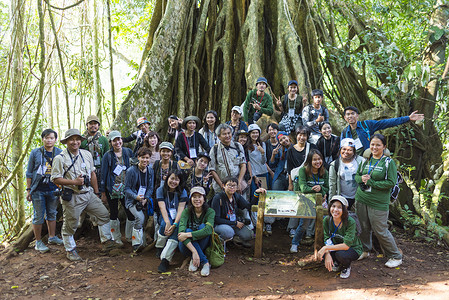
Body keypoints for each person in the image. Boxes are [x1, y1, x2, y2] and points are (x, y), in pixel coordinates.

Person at [51, 129, 118, 261]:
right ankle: (70, 249)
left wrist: (97, 192)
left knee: (103, 214)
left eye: (77, 139)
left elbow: (92, 173)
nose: (75, 142)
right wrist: (74, 182)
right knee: (71, 224)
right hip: (73, 196)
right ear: (66, 142)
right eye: (71, 139)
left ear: (81, 141)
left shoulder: (86, 154)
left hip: (88, 194)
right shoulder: (60, 158)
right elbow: (55, 179)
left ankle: (106, 242)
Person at [355, 134, 403, 268]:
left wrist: (372, 182)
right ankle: (365, 250)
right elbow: (357, 176)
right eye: (372, 144)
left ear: (384, 147)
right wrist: (362, 179)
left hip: (378, 202)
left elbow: (391, 182)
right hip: (361, 198)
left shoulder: (388, 163)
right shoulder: (365, 160)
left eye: (378, 145)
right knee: (364, 228)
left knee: (380, 230)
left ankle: (395, 256)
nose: (374, 147)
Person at [26, 129, 64, 252]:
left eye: (51, 138)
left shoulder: (59, 153)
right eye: (46, 138)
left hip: (54, 188)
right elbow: (29, 172)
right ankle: (38, 242)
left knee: (52, 213)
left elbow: (64, 170)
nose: (49, 140)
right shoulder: (35, 153)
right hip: (38, 189)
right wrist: (28, 190)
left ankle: (52, 237)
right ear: (43, 139)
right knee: (38, 216)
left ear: (55, 140)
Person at [340, 106, 424, 156]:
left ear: (357, 116)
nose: (350, 116)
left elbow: (386, 123)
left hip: (369, 156)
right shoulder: (345, 132)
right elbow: (342, 149)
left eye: (352, 113)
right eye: (348, 114)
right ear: (345, 118)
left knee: (386, 153)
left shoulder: (366, 125)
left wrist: (408, 118)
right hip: (355, 160)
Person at [290, 149, 329, 253]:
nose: (317, 162)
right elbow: (303, 188)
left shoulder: (324, 171)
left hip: (320, 202)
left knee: (325, 223)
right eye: (314, 160)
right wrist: (316, 190)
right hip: (306, 201)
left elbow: (327, 188)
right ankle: (294, 243)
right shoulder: (304, 170)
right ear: (309, 161)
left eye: (319, 159)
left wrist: (321, 189)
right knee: (303, 225)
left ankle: (327, 245)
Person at [100, 131, 135, 246]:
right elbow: (103, 174)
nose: (117, 142)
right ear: (110, 142)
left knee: (130, 212)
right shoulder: (107, 156)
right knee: (114, 212)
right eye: (114, 140)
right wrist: (103, 192)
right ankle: (116, 238)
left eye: (119, 139)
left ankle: (130, 236)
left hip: (127, 189)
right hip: (112, 189)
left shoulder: (128, 152)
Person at [317, 195, 363, 279]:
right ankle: (336, 261)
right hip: (336, 246)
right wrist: (327, 253)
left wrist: (326, 248)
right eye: (333, 206)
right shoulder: (327, 220)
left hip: (352, 248)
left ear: (344, 210)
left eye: (339, 207)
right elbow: (327, 238)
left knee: (341, 254)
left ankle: (346, 266)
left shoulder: (350, 222)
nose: (335, 210)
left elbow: (346, 245)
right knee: (323, 254)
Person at [286, 126, 317, 237]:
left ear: (307, 136)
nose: (302, 137)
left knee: (310, 204)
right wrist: (290, 184)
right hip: (296, 181)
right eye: (300, 134)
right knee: (296, 204)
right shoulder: (291, 150)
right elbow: (289, 168)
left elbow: (317, 161)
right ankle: (292, 228)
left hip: (310, 180)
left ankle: (308, 231)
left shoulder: (312, 147)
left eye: (304, 135)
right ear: (296, 135)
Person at [211, 177, 259, 248]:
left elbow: (249, 207)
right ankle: (219, 243)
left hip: (232, 223)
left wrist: (256, 194)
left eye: (234, 185)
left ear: (237, 187)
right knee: (228, 232)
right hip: (219, 225)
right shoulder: (218, 198)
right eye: (229, 185)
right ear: (224, 186)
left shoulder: (236, 196)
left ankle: (233, 240)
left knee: (249, 234)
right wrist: (235, 223)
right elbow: (216, 219)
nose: (232, 187)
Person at [178, 186, 215, 277]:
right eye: (194, 197)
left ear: (204, 199)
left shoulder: (210, 212)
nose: (197, 199)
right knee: (187, 230)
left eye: (200, 196)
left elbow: (208, 230)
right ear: (190, 199)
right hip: (187, 247)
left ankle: (197, 260)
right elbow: (180, 233)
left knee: (203, 227)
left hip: (203, 243)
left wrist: (188, 234)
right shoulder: (186, 211)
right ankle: (205, 262)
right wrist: (194, 251)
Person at [155, 169, 188, 273]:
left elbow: (180, 210)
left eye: (177, 179)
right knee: (165, 223)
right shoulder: (160, 189)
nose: (173, 182)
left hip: (177, 217)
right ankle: (159, 246)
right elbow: (162, 208)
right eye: (172, 178)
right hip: (165, 215)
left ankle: (165, 260)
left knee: (177, 228)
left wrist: (174, 224)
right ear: (167, 178)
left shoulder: (182, 191)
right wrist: (168, 223)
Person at [124, 147, 155, 252]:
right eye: (142, 157)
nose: (145, 160)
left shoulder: (150, 170)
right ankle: (136, 244)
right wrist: (136, 197)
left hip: (144, 201)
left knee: (144, 220)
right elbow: (126, 188)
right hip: (132, 201)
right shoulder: (131, 171)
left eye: (147, 158)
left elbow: (151, 187)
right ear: (138, 158)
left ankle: (142, 242)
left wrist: (146, 198)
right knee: (139, 218)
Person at [209, 124, 247, 194]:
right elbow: (212, 169)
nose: (227, 136)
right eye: (224, 134)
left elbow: (243, 165)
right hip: (221, 186)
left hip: (237, 185)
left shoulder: (238, 146)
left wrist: (239, 182)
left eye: (229, 133)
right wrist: (222, 186)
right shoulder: (215, 149)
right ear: (219, 136)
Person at [329, 138, 365, 210]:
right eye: (344, 149)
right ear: (340, 150)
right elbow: (332, 184)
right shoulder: (335, 164)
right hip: (341, 198)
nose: (346, 152)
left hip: (358, 198)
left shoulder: (361, 161)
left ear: (354, 151)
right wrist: (331, 201)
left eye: (349, 150)